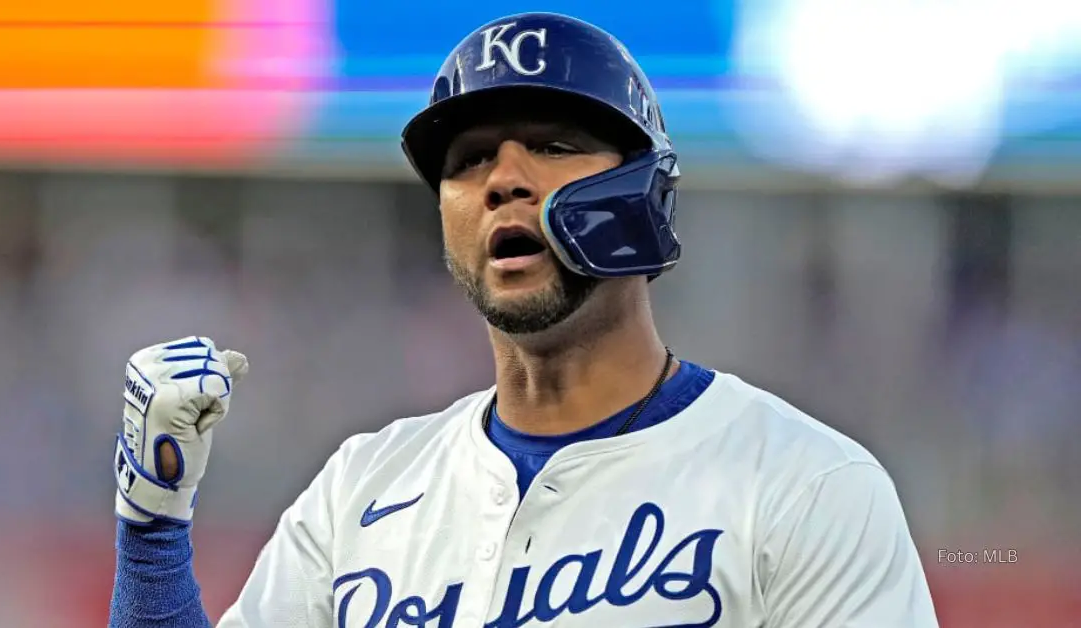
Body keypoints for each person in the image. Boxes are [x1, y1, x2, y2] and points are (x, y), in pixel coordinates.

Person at [109, 12, 940, 627]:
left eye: (551, 143)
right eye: (468, 161)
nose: (503, 179)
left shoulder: (806, 486)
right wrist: (153, 525)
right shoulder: (361, 490)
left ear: (643, 192)